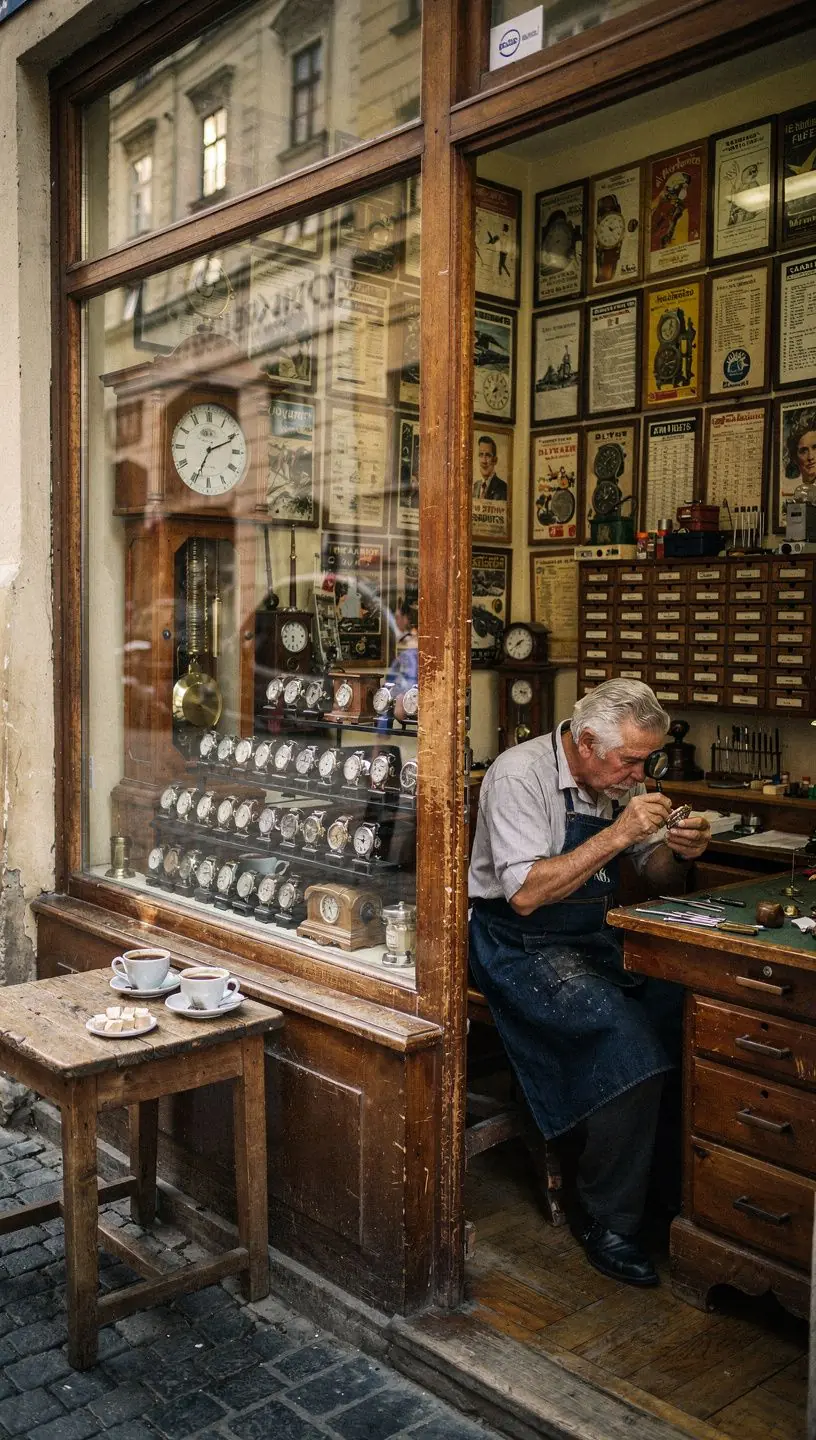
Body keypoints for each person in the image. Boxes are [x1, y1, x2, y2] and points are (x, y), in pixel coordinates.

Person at [468, 679, 710, 1287]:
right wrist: (620, 833)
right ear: (585, 741)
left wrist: (678, 852)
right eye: (630, 759)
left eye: (646, 760)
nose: (640, 773)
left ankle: (662, 1192)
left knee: (689, 1014)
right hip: (515, 944)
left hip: (588, 941)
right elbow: (525, 895)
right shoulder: (517, 774)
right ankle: (607, 1218)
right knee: (630, 1047)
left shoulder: (617, 779)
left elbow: (654, 875)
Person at [474, 435, 508, 503]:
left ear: (495, 460)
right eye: (481, 455)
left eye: (488, 455)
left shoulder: (503, 488)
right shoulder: (475, 486)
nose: (484, 461)